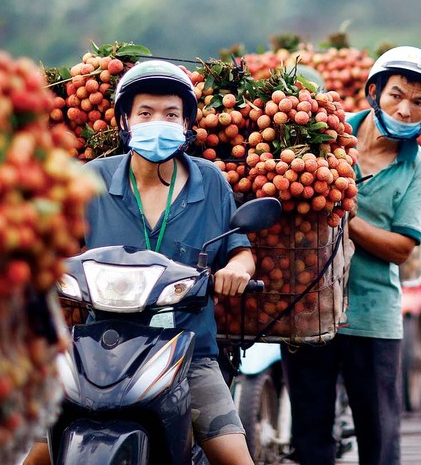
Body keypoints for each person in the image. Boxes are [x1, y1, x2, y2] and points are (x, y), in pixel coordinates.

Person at [23, 60, 257, 465]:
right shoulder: (91, 180)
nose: (158, 123)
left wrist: (237, 269)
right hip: (97, 351)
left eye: (170, 114)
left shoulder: (211, 181)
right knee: (40, 454)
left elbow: (239, 249)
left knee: (235, 458)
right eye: (145, 114)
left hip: (186, 351)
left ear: (187, 124)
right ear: (125, 122)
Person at [281, 45, 421, 465]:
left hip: (372, 314)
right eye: (397, 95)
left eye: (419, 103)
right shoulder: (328, 136)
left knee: (380, 435)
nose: (406, 110)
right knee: (311, 434)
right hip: (308, 306)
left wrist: (342, 215)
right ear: (374, 92)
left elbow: (402, 247)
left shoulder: (418, 167)